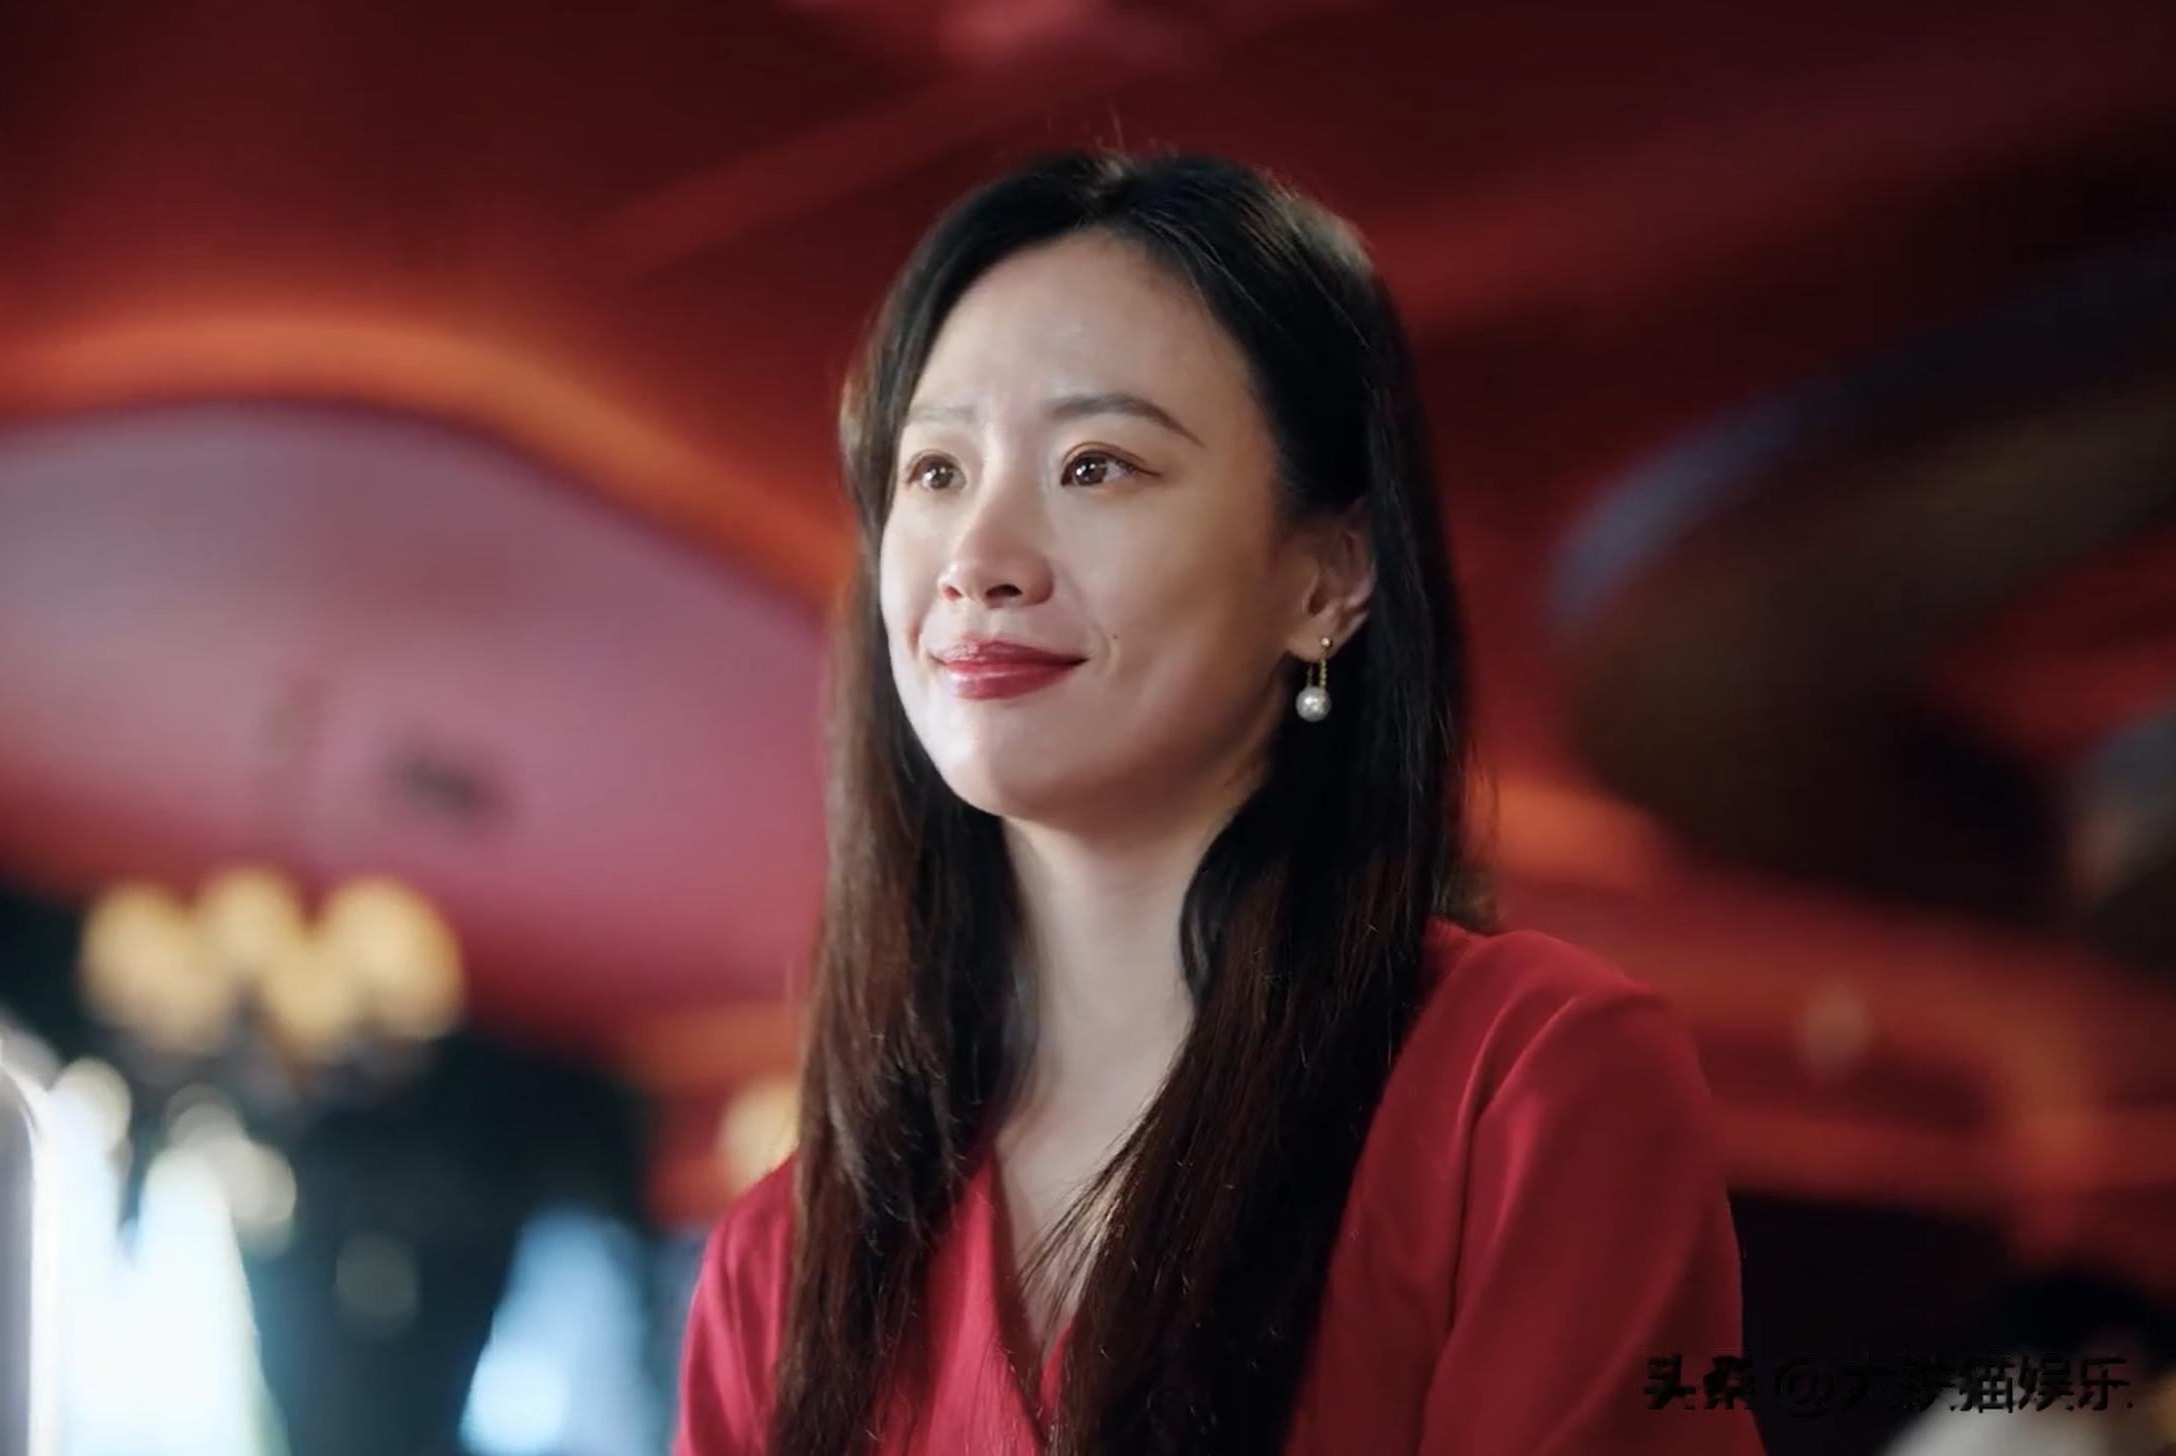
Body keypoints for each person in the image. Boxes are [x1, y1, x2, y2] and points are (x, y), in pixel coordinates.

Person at [673, 148, 1764, 1456]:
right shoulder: (780, 1266)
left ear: (1327, 577)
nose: (978, 560)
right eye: (936, 473)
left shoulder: (1524, 1087)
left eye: (1096, 465)